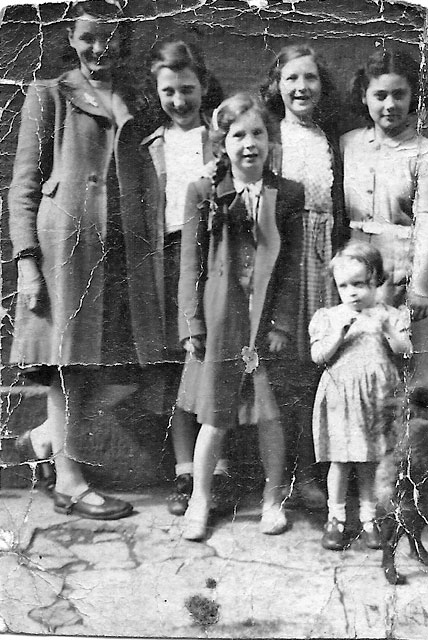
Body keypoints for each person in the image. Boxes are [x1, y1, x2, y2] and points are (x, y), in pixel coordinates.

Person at [9, 0, 163, 518]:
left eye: (110, 37)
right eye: (88, 38)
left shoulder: (137, 100)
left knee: (126, 365)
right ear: (71, 40)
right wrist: (27, 261)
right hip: (66, 253)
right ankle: (69, 483)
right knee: (68, 365)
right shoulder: (50, 94)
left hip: (122, 251)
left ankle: (47, 435)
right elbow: (25, 187)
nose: (99, 49)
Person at [177, 93, 304, 540]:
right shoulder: (203, 191)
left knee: (269, 415)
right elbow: (190, 264)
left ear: (271, 140)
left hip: (263, 322)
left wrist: (283, 323)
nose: (249, 144)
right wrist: (191, 324)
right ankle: (199, 498)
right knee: (215, 415)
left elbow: (290, 267)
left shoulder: (287, 194)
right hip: (220, 321)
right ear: (221, 143)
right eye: (238, 135)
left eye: (258, 133)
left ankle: (273, 497)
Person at [140, 38, 230, 516]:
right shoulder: (150, 145)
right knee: (181, 362)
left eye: (188, 89)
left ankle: (219, 468)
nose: (179, 101)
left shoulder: (218, 139)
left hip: (215, 255)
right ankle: (184, 470)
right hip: (170, 257)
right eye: (169, 91)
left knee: (219, 357)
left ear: (203, 87)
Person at [260, 44, 347, 510]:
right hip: (284, 264)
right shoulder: (271, 137)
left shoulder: (329, 139)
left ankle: (315, 474)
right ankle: (284, 475)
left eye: (310, 79)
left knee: (320, 370)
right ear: (277, 85)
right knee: (286, 370)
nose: (301, 88)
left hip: (326, 264)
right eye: (291, 79)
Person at [341, 44, 428, 384]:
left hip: (410, 266)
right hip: (361, 265)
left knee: (416, 367)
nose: (389, 105)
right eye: (380, 95)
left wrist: (419, 285)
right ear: (364, 96)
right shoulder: (348, 144)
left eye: (399, 94)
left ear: (413, 96)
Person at [309, 241, 412, 550]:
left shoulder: (388, 315)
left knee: (369, 462)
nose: (352, 292)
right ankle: (336, 517)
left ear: (376, 281)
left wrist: (390, 332)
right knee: (340, 461)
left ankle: (369, 518)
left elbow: (405, 351)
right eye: (344, 285)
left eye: (360, 284)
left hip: (377, 399)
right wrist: (337, 336)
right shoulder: (330, 317)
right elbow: (318, 356)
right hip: (342, 400)